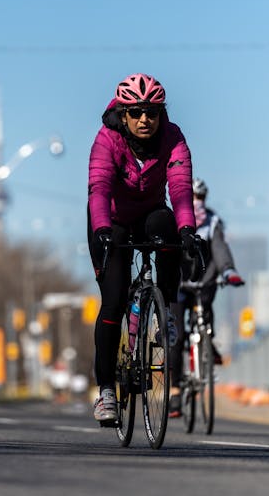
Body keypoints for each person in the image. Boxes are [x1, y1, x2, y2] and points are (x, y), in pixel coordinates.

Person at [87, 73, 199, 423]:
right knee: (114, 300)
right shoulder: (107, 139)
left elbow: (180, 189)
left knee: (168, 226)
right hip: (112, 219)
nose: (144, 119)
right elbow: (99, 189)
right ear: (123, 115)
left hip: (150, 213)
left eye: (152, 111)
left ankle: (164, 308)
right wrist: (103, 230)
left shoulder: (173, 137)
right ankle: (105, 392)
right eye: (135, 112)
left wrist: (189, 232)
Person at [167, 176, 244, 417]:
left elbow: (220, 249)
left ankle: (208, 343)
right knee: (176, 337)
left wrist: (229, 271)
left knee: (205, 314)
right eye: (192, 197)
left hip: (204, 283)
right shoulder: (172, 221)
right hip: (178, 286)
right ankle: (175, 392)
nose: (196, 202)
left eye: (200, 197)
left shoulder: (212, 222)